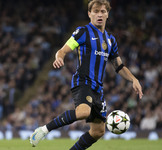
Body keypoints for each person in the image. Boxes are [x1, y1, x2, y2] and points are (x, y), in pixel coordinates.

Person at [30, 0, 143, 149]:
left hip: (98, 88)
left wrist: (133, 79)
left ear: (107, 14)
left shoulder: (110, 40)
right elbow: (63, 50)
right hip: (83, 81)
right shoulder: (83, 32)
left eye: (103, 11)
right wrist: (59, 57)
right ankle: (43, 130)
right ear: (89, 14)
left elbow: (119, 66)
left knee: (98, 131)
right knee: (83, 112)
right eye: (96, 11)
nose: (99, 15)